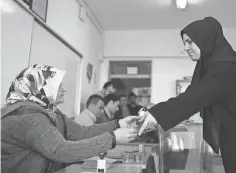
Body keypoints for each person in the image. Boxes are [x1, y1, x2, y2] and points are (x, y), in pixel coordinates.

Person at [1, 64, 142, 173]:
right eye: (58, 86)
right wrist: (113, 138)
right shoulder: (28, 116)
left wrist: (118, 124)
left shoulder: (51, 112)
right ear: (41, 88)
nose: (63, 90)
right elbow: (62, 151)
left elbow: (81, 133)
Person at [139, 17, 236, 173]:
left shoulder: (226, 65)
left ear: (206, 38)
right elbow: (195, 94)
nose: (186, 47)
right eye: (184, 43)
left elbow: (197, 96)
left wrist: (157, 114)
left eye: (190, 41)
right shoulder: (210, 66)